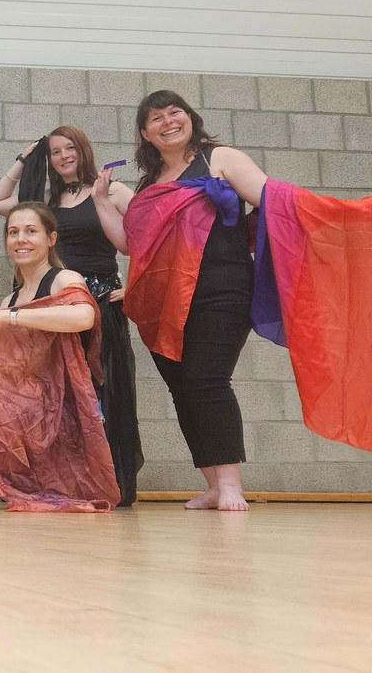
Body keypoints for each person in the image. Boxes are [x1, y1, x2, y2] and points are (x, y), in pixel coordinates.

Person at [122, 91, 273, 512]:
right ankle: (213, 484)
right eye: (156, 118)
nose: (168, 121)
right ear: (145, 133)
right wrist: (100, 200)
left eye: (175, 113)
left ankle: (230, 484)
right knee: (183, 388)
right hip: (165, 301)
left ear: (190, 118)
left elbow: (274, 202)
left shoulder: (220, 158)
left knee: (207, 380)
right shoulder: (148, 184)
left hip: (222, 289)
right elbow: (136, 246)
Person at [0, 126, 143, 506]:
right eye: (55, 152)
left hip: (100, 305)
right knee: (58, 395)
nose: (63, 156)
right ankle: (64, 482)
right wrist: (23, 159)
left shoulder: (113, 190)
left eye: (69, 148)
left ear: (83, 150)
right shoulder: (48, 199)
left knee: (101, 393)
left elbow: (151, 234)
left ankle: (109, 482)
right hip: (54, 306)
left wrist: (139, 285)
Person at [0, 202, 120, 512]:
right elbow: (8, 366)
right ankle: (25, 472)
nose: (21, 239)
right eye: (13, 232)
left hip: (66, 406)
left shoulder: (63, 278)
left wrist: (8, 318)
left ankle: (42, 472)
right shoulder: (10, 298)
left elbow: (84, 317)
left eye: (31, 231)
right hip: (26, 407)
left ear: (51, 238)